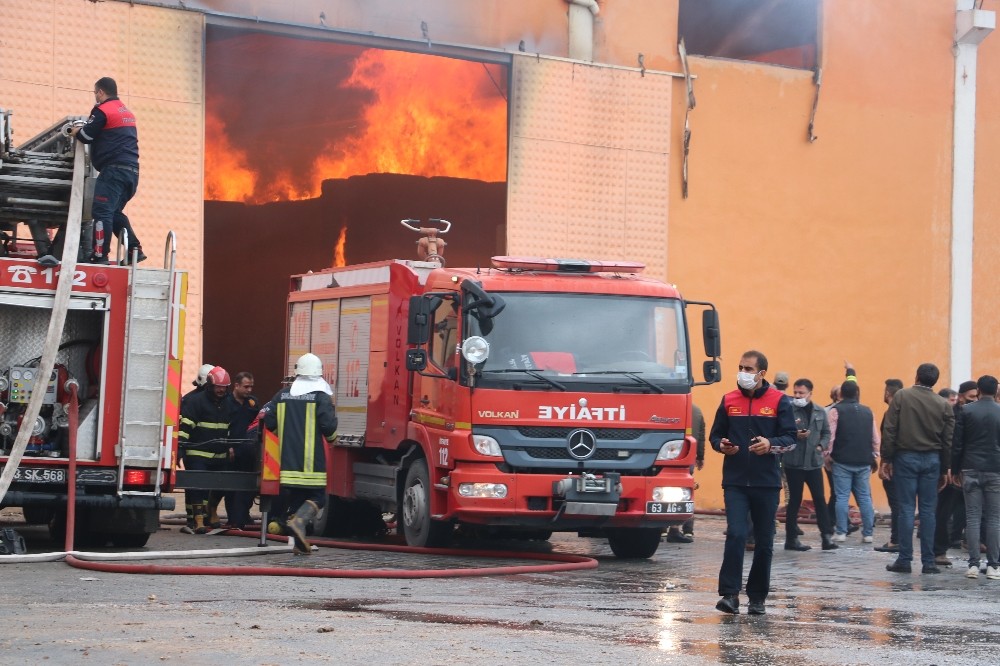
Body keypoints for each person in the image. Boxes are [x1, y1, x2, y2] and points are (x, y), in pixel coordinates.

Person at [710, 350, 797, 615]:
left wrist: (770, 444)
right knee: (736, 534)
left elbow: (791, 439)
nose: (743, 373)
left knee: (764, 541)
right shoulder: (728, 400)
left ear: (761, 373)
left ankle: (757, 597)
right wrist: (722, 445)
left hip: (766, 483)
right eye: (740, 368)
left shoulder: (779, 401)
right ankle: (729, 594)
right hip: (735, 481)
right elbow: (715, 437)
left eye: (748, 369)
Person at [881, 363, 954, 574]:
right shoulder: (943, 404)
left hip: (906, 457)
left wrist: (887, 458)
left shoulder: (902, 397)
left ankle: (904, 559)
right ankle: (929, 561)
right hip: (932, 459)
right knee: (928, 511)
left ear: (916, 377)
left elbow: (890, 429)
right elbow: (948, 439)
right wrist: (946, 468)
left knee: (905, 509)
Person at [262, 353, 338, 554]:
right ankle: (300, 522)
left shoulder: (282, 395)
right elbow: (328, 426)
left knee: (296, 500)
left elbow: (269, 422)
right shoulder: (320, 397)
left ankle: (298, 545)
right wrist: (332, 439)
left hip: (287, 463)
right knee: (318, 497)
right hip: (311, 463)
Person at [69, 77, 145, 264]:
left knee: (101, 212)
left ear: (101, 92)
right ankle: (134, 251)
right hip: (132, 172)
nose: (95, 96)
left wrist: (74, 130)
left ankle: (99, 255)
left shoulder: (102, 110)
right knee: (114, 212)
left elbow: (86, 136)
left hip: (113, 172)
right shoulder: (126, 112)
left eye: (96, 93)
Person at [951, 375, 1000, 580]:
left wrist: (954, 469)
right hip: (995, 469)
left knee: (972, 518)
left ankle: (973, 564)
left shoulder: (966, 411)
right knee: (994, 519)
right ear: (996, 391)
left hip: (970, 468)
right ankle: (994, 566)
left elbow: (958, 443)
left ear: (978, 390)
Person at [178, 366, 233, 534]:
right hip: (198, 454)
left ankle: (212, 509)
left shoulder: (229, 403)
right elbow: (185, 427)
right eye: (218, 387)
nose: (221, 391)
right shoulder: (196, 402)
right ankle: (198, 519)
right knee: (197, 486)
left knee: (223, 484)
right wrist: (180, 449)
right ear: (209, 385)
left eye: (224, 388)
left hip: (220, 455)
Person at [784, 378, 838, 551]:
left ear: (810, 394)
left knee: (820, 499)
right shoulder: (788, 410)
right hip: (794, 463)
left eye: (801, 393)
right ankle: (791, 539)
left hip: (814, 463)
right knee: (794, 501)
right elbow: (781, 431)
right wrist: (794, 435)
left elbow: (826, 433)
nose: (798, 396)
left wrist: (821, 445)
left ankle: (826, 537)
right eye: (796, 393)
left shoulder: (819, 411)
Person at [932, 381, 978, 566]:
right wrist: (950, 467)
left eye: (976, 396)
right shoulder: (952, 414)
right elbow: (950, 443)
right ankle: (940, 549)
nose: (973, 400)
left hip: (969, 468)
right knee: (945, 509)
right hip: (953, 470)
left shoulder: (971, 413)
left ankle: (957, 541)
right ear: (960, 397)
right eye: (970, 397)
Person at [827, 380, 879, 543]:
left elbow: (831, 436)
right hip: (864, 461)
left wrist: (827, 455)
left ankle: (841, 532)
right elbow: (875, 437)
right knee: (864, 497)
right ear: (857, 393)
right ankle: (868, 533)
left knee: (841, 496)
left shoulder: (836, 411)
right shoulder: (868, 412)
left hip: (842, 460)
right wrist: (875, 454)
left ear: (841, 394)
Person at [224, 371, 259, 530]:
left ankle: (243, 514)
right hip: (231, 451)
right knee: (230, 486)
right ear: (236, 385)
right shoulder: (226, 402)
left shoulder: (252, 403)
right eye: (246, 387)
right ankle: (233, 518)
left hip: (249, 451)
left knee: (248, 486)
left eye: (251, 387)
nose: (249, 390)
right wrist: (227, 446)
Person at [874, 378, 905, 553]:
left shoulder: (891, 413)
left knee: (896, 504)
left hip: (894, 464)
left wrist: (885, 463)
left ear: (887, 393)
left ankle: (896, 540)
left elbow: (888, 440)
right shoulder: (907, 413)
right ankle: (900, 539)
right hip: (906, 463)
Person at [666, 403, 705, 543]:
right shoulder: (696, 410)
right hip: (687, 455)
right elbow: (700, 435)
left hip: (666, 454)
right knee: (685, 492)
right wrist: (700, 457)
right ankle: (686, 529)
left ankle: (663, 529)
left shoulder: (668, 406)